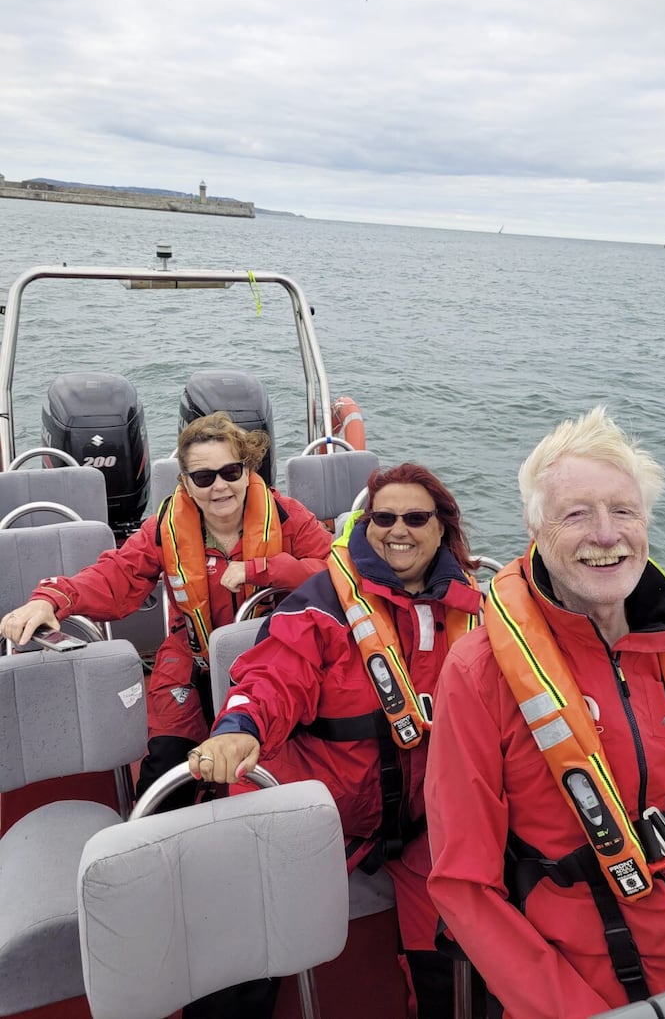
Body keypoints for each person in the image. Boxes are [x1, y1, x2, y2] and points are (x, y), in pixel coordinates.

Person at [424, 406, 665, 1019]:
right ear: (535, 526)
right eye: (577, 513)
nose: (606, 534)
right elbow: (465, 887)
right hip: (581, 1000)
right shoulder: (478, 674)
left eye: (623, 510)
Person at [189, 463, 484, 1018]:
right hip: (317, 814)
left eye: (416, 517)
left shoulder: (472, 613)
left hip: (421, 824)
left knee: (460, 959)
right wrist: (238, 729)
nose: (399, 529)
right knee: (245, 956)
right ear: (364, 525)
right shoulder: (319, 606)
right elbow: (272, 677)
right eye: (383, 517)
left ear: (442, 528)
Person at [0, 411, 333, 802]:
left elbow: (333, 572)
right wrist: (54, 598)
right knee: (164, 774)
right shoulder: (164, 528)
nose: (220, 486)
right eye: (204, 477)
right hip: (191, 658)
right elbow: (117, 574)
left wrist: (263, 568)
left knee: (283, 767)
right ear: (186, 484)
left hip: (274, 657)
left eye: (230, 471)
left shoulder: (288, 516)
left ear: (247, 471)